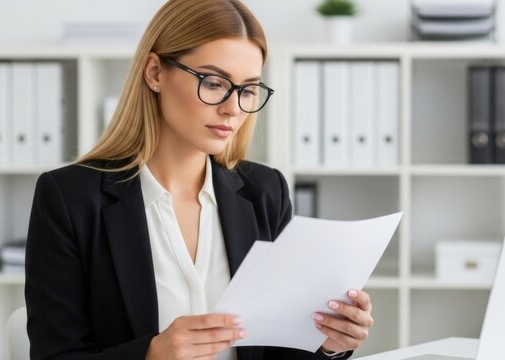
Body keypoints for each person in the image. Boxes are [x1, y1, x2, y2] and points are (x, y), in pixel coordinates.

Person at [25, 0, 374, 359]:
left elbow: (280, 351)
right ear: (155, 73)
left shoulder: (265, 192)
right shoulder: (69, 199)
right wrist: (151, 354)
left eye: (248, 90)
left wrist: (328, 343)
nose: (232, 108)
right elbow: (55, 354)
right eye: (213, 82)